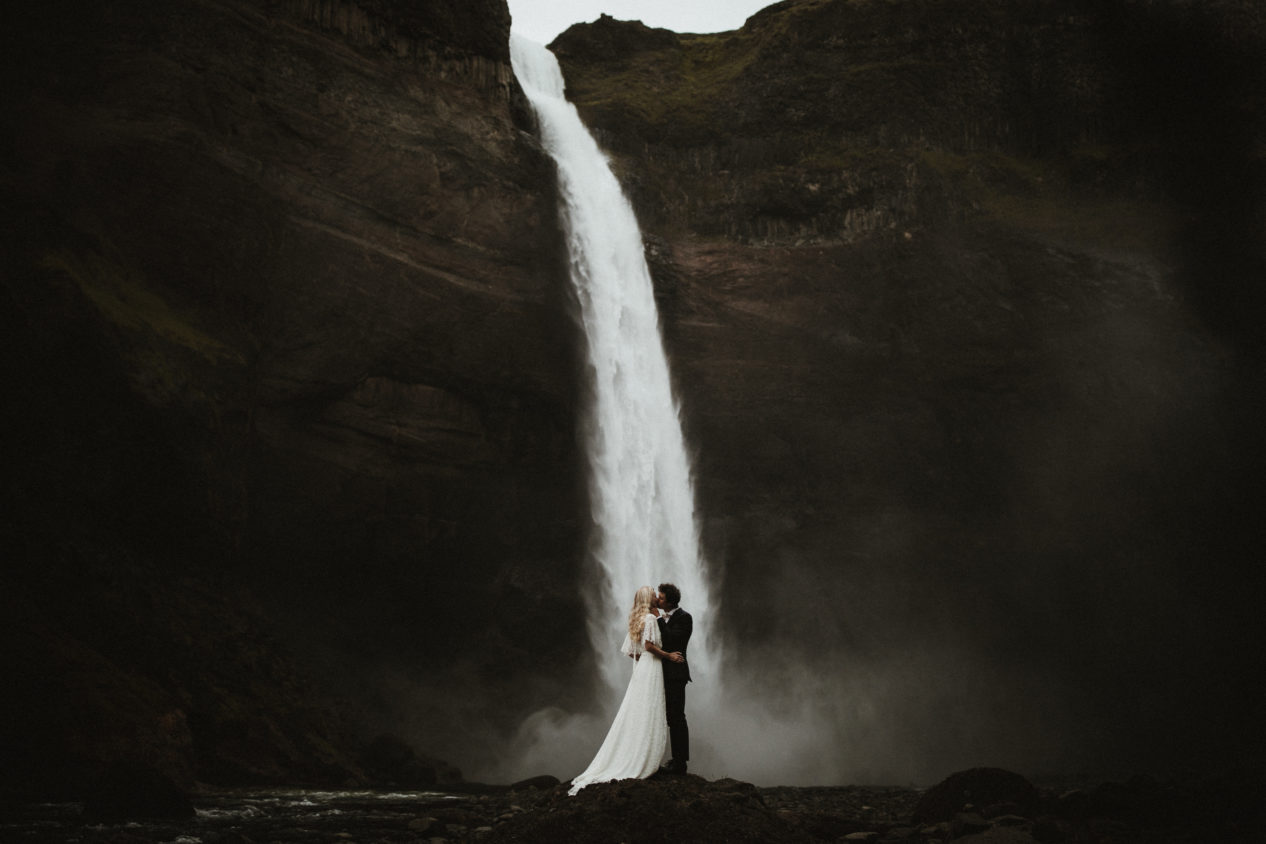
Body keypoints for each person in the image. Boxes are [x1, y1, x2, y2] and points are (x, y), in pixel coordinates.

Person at [567, 586, 680, 795]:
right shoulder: (650, 619)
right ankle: (644, 758)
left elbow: (630, 651)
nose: (657, 597)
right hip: (652, 665)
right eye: (654, 595)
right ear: (649, 599)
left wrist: (643, 661)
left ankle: (636, 752)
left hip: (643, 667)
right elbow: (648, 645)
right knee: (649, 708)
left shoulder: (639, 618)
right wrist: (667, 656)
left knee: (639, 708)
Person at [656, 582, 691, 775]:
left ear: (670, 601)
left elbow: (671, 640)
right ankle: (661, 759)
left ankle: (680, 762)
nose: (657, 600)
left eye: (660, 598)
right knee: (665, 717)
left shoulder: (685, 618)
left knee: (677, 717)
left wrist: (657, 618)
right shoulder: (660, 618)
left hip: (676, 675)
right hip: (659, 674)